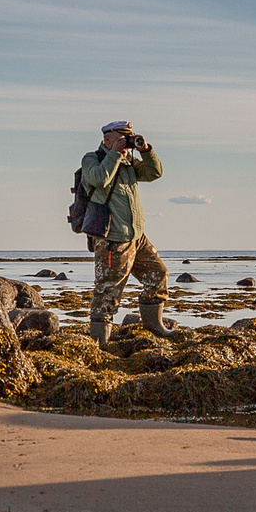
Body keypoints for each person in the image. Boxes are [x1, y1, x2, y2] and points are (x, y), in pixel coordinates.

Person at [80, 118, 169, 343]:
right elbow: (100, 179)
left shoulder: (128, 162)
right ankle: (100, 343)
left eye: (127, 138)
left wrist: (146, 151)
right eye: (121, 138)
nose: (125, 143)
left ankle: (154, 326)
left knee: (158, 274)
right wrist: (115, 155)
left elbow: (154, 173)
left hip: (137, 237)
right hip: (112, 239)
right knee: (107, 293)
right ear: (107, 139)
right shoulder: (93, 159)